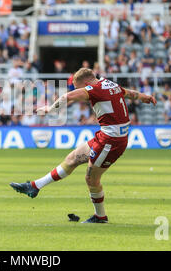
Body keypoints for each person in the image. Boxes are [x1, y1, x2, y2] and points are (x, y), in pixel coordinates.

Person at [10, 68, 156, 223]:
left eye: (79, 88)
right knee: (72, 158)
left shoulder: (93, 89)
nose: (81, 91)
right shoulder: (108, 84)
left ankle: (100, 216)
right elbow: (129, 93)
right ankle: (35, 186)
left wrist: (50, 109)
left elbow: (67, 96)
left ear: (86, 83)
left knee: (91, 179)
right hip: (105, 136)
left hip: (111, 141)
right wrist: (143, 97)